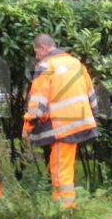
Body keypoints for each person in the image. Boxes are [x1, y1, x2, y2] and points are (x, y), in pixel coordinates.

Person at [21, 33, 98, 209]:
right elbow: (91, 94)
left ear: (43, 48)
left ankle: (66, 208)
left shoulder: (45, 66)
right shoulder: (76, 63)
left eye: (36, 52)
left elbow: (37, 102)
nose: (36, 56)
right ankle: (60, 204)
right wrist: (94, 116)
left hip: (62, 126)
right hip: (79, 122)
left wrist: (28, 126)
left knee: (59, 167)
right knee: (63, 164)